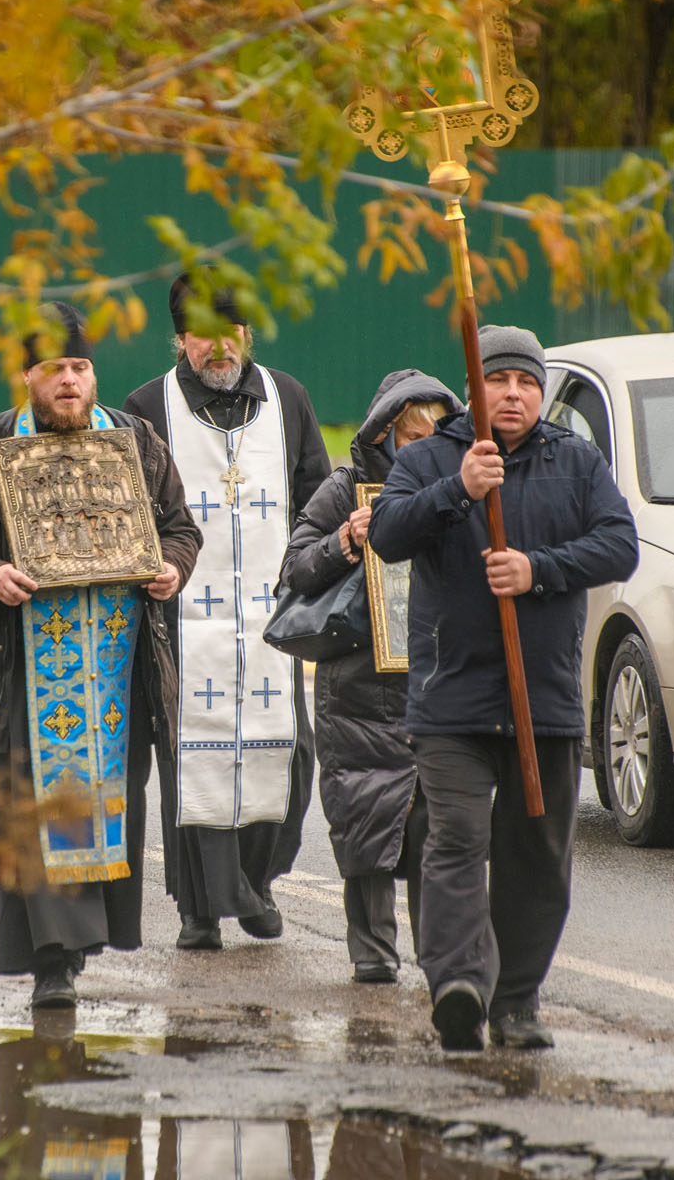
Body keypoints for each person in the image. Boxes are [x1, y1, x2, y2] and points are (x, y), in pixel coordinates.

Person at [0, 303, 202, 1008]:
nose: (70, 382)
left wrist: (170, 566)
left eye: (80, 368)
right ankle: (52, 959)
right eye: (55, 370)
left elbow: (180, 528)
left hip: (118, 666)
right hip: (22, 664)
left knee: (108, 802)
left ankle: (79, 942)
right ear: (28, 377)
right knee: (32, 809)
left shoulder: (133, 441)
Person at [367, 325, 638, 1052]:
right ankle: (457, 984)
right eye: (499, 381)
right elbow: (387, 534)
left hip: (541, 700)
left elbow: (619, 544)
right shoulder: (429, 458)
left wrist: (537, 569)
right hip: (452, 698)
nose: (513, 394)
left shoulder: (575, 461)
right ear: (475, 387)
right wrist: (459, 490)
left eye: (526, 382)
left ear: (541, 390)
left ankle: (517, 1000)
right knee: (455, 837)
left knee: (536, 853)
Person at [122, 274, 331, 951]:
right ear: (179, 339)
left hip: (273, 618)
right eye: (202, 333)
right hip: (180, 621)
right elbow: (130, 513)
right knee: (196, 762)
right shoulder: (146, 406)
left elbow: (314, 498)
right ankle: (200, 910)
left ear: (248, 333)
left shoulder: (287, 397)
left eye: (230, 331)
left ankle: (258, 882)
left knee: (286, 755)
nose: (218, 346)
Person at [279, 370, 459, 984]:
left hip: (436, 683)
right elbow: (295, 571)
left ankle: (441, 957)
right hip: (357, 689)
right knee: (363, 822)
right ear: (383, 434)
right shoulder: (346, 488)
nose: (422, 447)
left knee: (438, 827)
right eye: (409, 438)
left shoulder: (457, 487)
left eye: (433, 435)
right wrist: (344, 540)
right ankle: (374, 956)